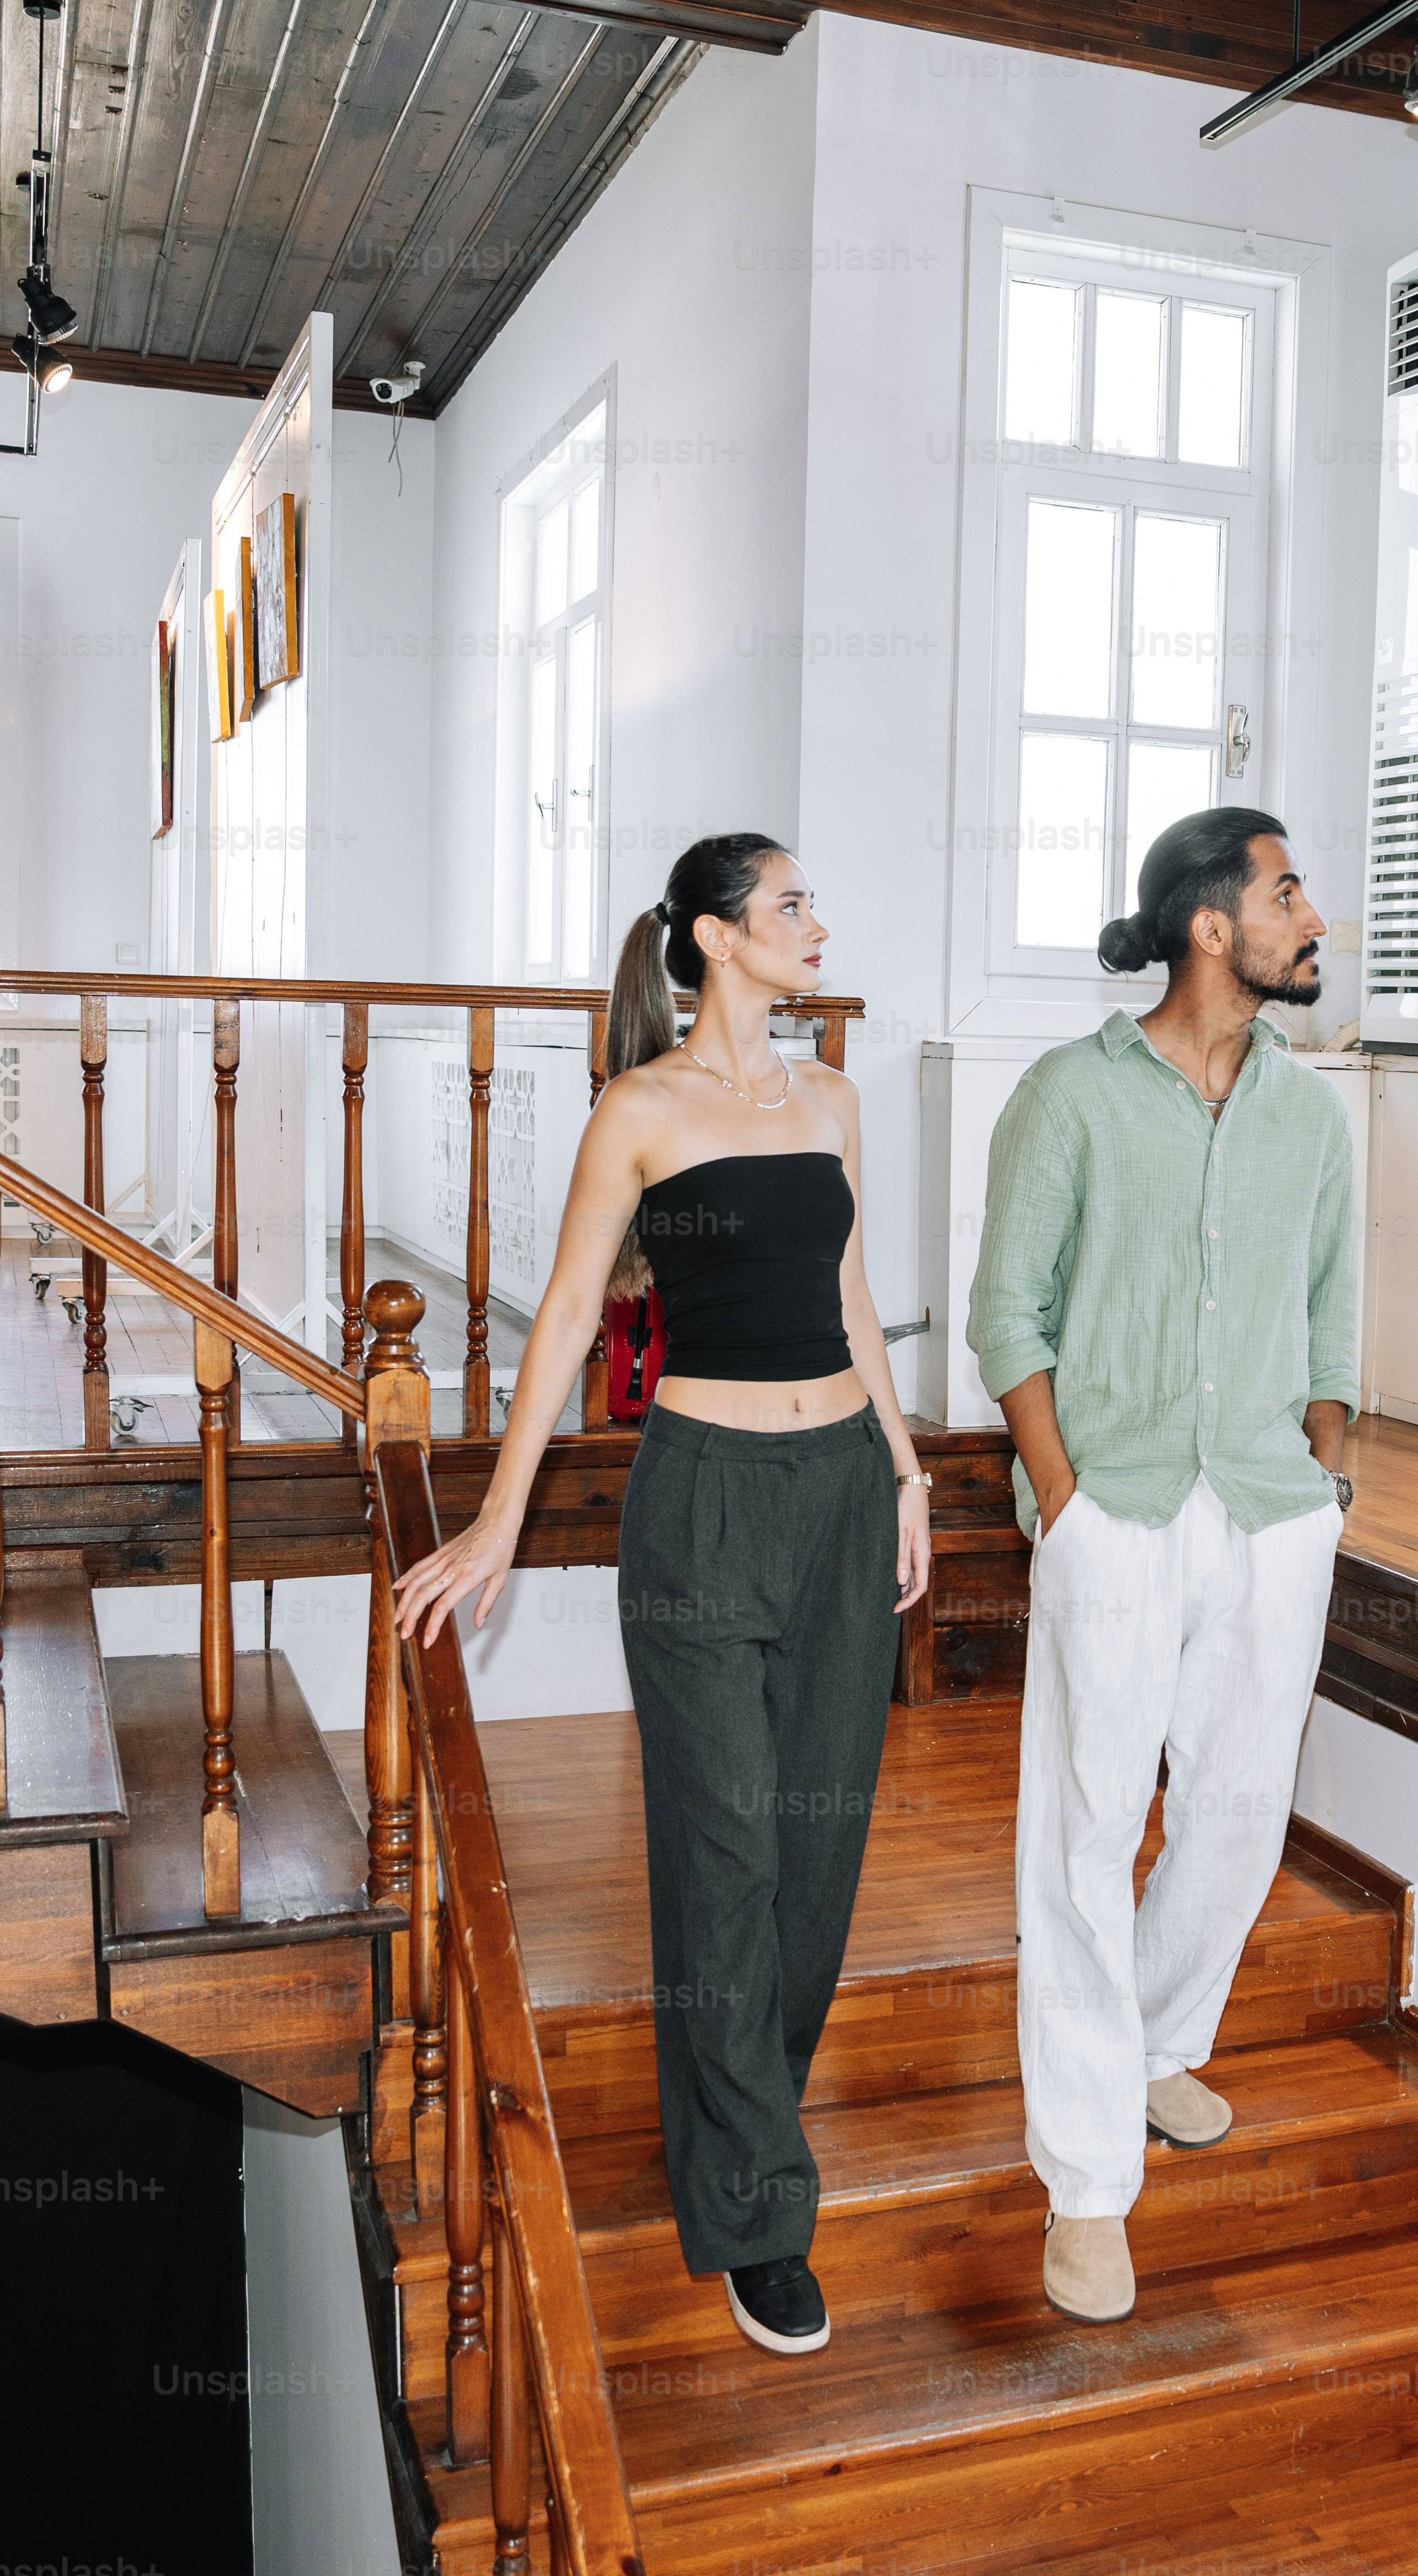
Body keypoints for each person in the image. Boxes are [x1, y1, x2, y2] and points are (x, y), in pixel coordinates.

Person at [392, 832, 929, 2360]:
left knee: (816, 1863)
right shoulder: (638, 1110)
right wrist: (500, 1517)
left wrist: (904, 1470)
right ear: (714, 937)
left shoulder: (832, 1100)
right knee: (727, 1852)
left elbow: (851, 1300)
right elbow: (570, 1310)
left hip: (840, 1495)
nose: (816, 924)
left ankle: (739, 2115)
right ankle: (757, 2206)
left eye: (812, 902)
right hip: (701, 1504)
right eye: (790, 905)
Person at [966, 806, 1359, 2326]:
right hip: (1115, 1508)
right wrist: (1062, 1496)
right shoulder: (1069, 1096)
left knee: (1242, 1809)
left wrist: (1324, 1468)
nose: (1312, 917)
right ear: (1211, 925)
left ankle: (1155, 2045)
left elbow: (1333, 1309)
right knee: (1084, 1828)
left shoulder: (1310, 1118)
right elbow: (1008, 1314)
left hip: (1271, 1507)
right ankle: (1085, 2181)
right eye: (1287, 892)